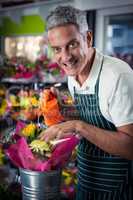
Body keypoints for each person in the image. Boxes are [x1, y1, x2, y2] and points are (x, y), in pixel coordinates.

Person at [40, 6, 133, 200]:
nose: (65, 57)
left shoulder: (117, 76)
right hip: (86, 182)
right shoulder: (72, 76)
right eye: (57, 49)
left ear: (88, 38)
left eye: (72, 45)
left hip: (119, 190)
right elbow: (81, 125)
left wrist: (77, 126)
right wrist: (57, 113)